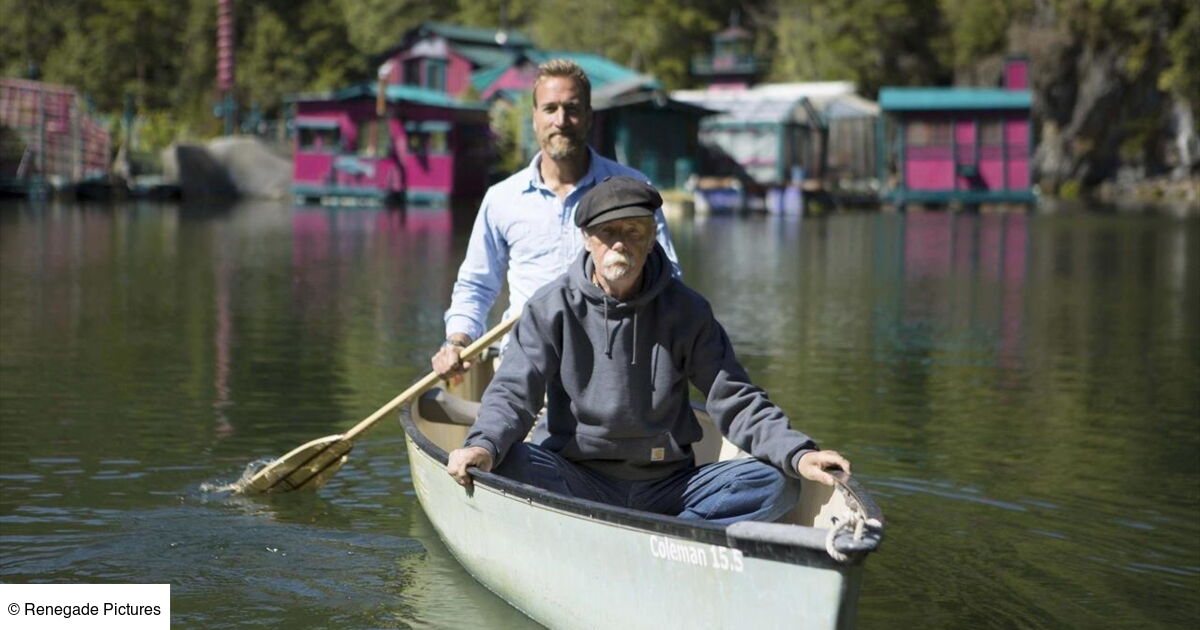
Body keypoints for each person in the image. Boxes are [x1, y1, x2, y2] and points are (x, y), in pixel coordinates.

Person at [446, 176, 850, 525]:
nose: (621, 243)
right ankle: (657, 534)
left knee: (775, 481)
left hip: (669, 487)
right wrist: (483, 445)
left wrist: (797, 453)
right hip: (576, 477)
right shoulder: (549, 308)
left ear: (652, 234)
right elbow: (513, 394)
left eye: (635, 230)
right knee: (508, 461)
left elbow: (736, 399)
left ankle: (676, 537)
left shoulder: (687, 310)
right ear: (587, 238)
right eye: (608, 232)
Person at [431, 59, 680, 381]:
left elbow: (669, 277)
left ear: (589, 116)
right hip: (527, 368)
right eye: (550, 109)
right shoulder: (502, 199)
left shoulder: (634, 191)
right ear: (534, 118)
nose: (561, 120)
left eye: (572, 108)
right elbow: (477, 286)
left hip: (614, 371)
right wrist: (457, 341)